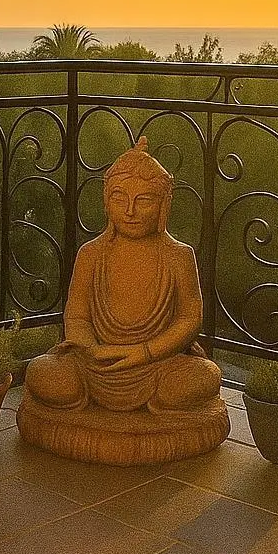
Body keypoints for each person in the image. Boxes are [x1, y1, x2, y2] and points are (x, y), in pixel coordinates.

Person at [24, 137, 221, 413]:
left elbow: (189, 320)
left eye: (144, 200)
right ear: (106, 201)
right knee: (43, 374)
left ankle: (156, 402)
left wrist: (143, 353)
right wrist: (93, 350)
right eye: (119, 198)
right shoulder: (91, 254)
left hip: (157, 365)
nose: (129, 211)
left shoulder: (178, 256)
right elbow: (77, 317)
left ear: (164, 205)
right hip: (95, 365)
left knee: (205, 376)